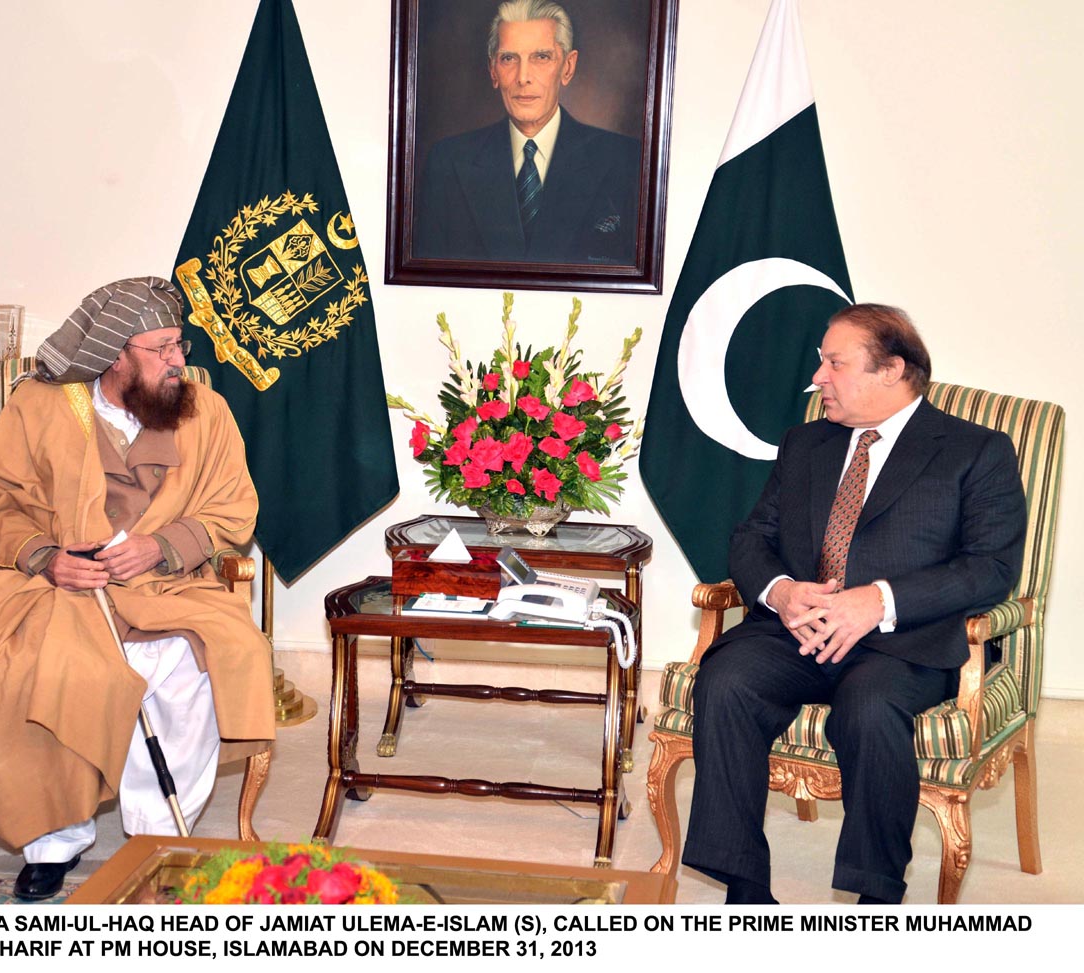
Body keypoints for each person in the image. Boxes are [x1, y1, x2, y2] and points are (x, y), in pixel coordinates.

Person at [682, 304, 1027, 904]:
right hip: (795, 631)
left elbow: (991, 567)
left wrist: (879, 599)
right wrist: (781, 592)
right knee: (726, 680)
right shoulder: (804, 443)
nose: (817, 378)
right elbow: (751, 538)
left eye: (834, 364)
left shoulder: (974, 450)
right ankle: (744, 890)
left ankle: (876, 898)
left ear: (891, 370)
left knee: (866, 709)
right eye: (822, 363)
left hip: (902, 640)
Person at [0, 277, 275, 900]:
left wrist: (165, 545)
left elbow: (236, 509)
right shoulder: (39, 408)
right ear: (115, 355)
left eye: (179, 344)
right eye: (161, 349)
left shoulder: (207, 412)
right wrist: (45, 558)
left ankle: (157, 839)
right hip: (60, 591)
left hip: (171, 585)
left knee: (196, 664)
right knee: (46, 666)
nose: (179, 360)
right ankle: (54, 839)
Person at [412, 0, 640, 265]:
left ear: (567, 67)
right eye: (509, 58)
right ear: (493, 70)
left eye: (541, 57)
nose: (523, 77)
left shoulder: (626, 161)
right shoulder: (448, 163)